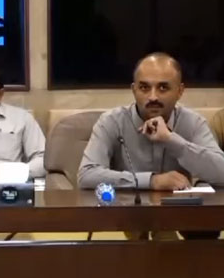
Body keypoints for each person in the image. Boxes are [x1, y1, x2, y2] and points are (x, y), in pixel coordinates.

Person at [78, 52, 224, 239]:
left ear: (180, 91)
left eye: (163, 88)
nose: (152, 96)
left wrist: (171, 140)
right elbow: (86, 175)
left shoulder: (193, 123)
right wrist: (152, 181)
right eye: (144, 87)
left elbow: (221, 172)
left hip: (181, 219)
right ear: (133, 90)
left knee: (206, 227)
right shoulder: (111, 122)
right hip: (126, 215)